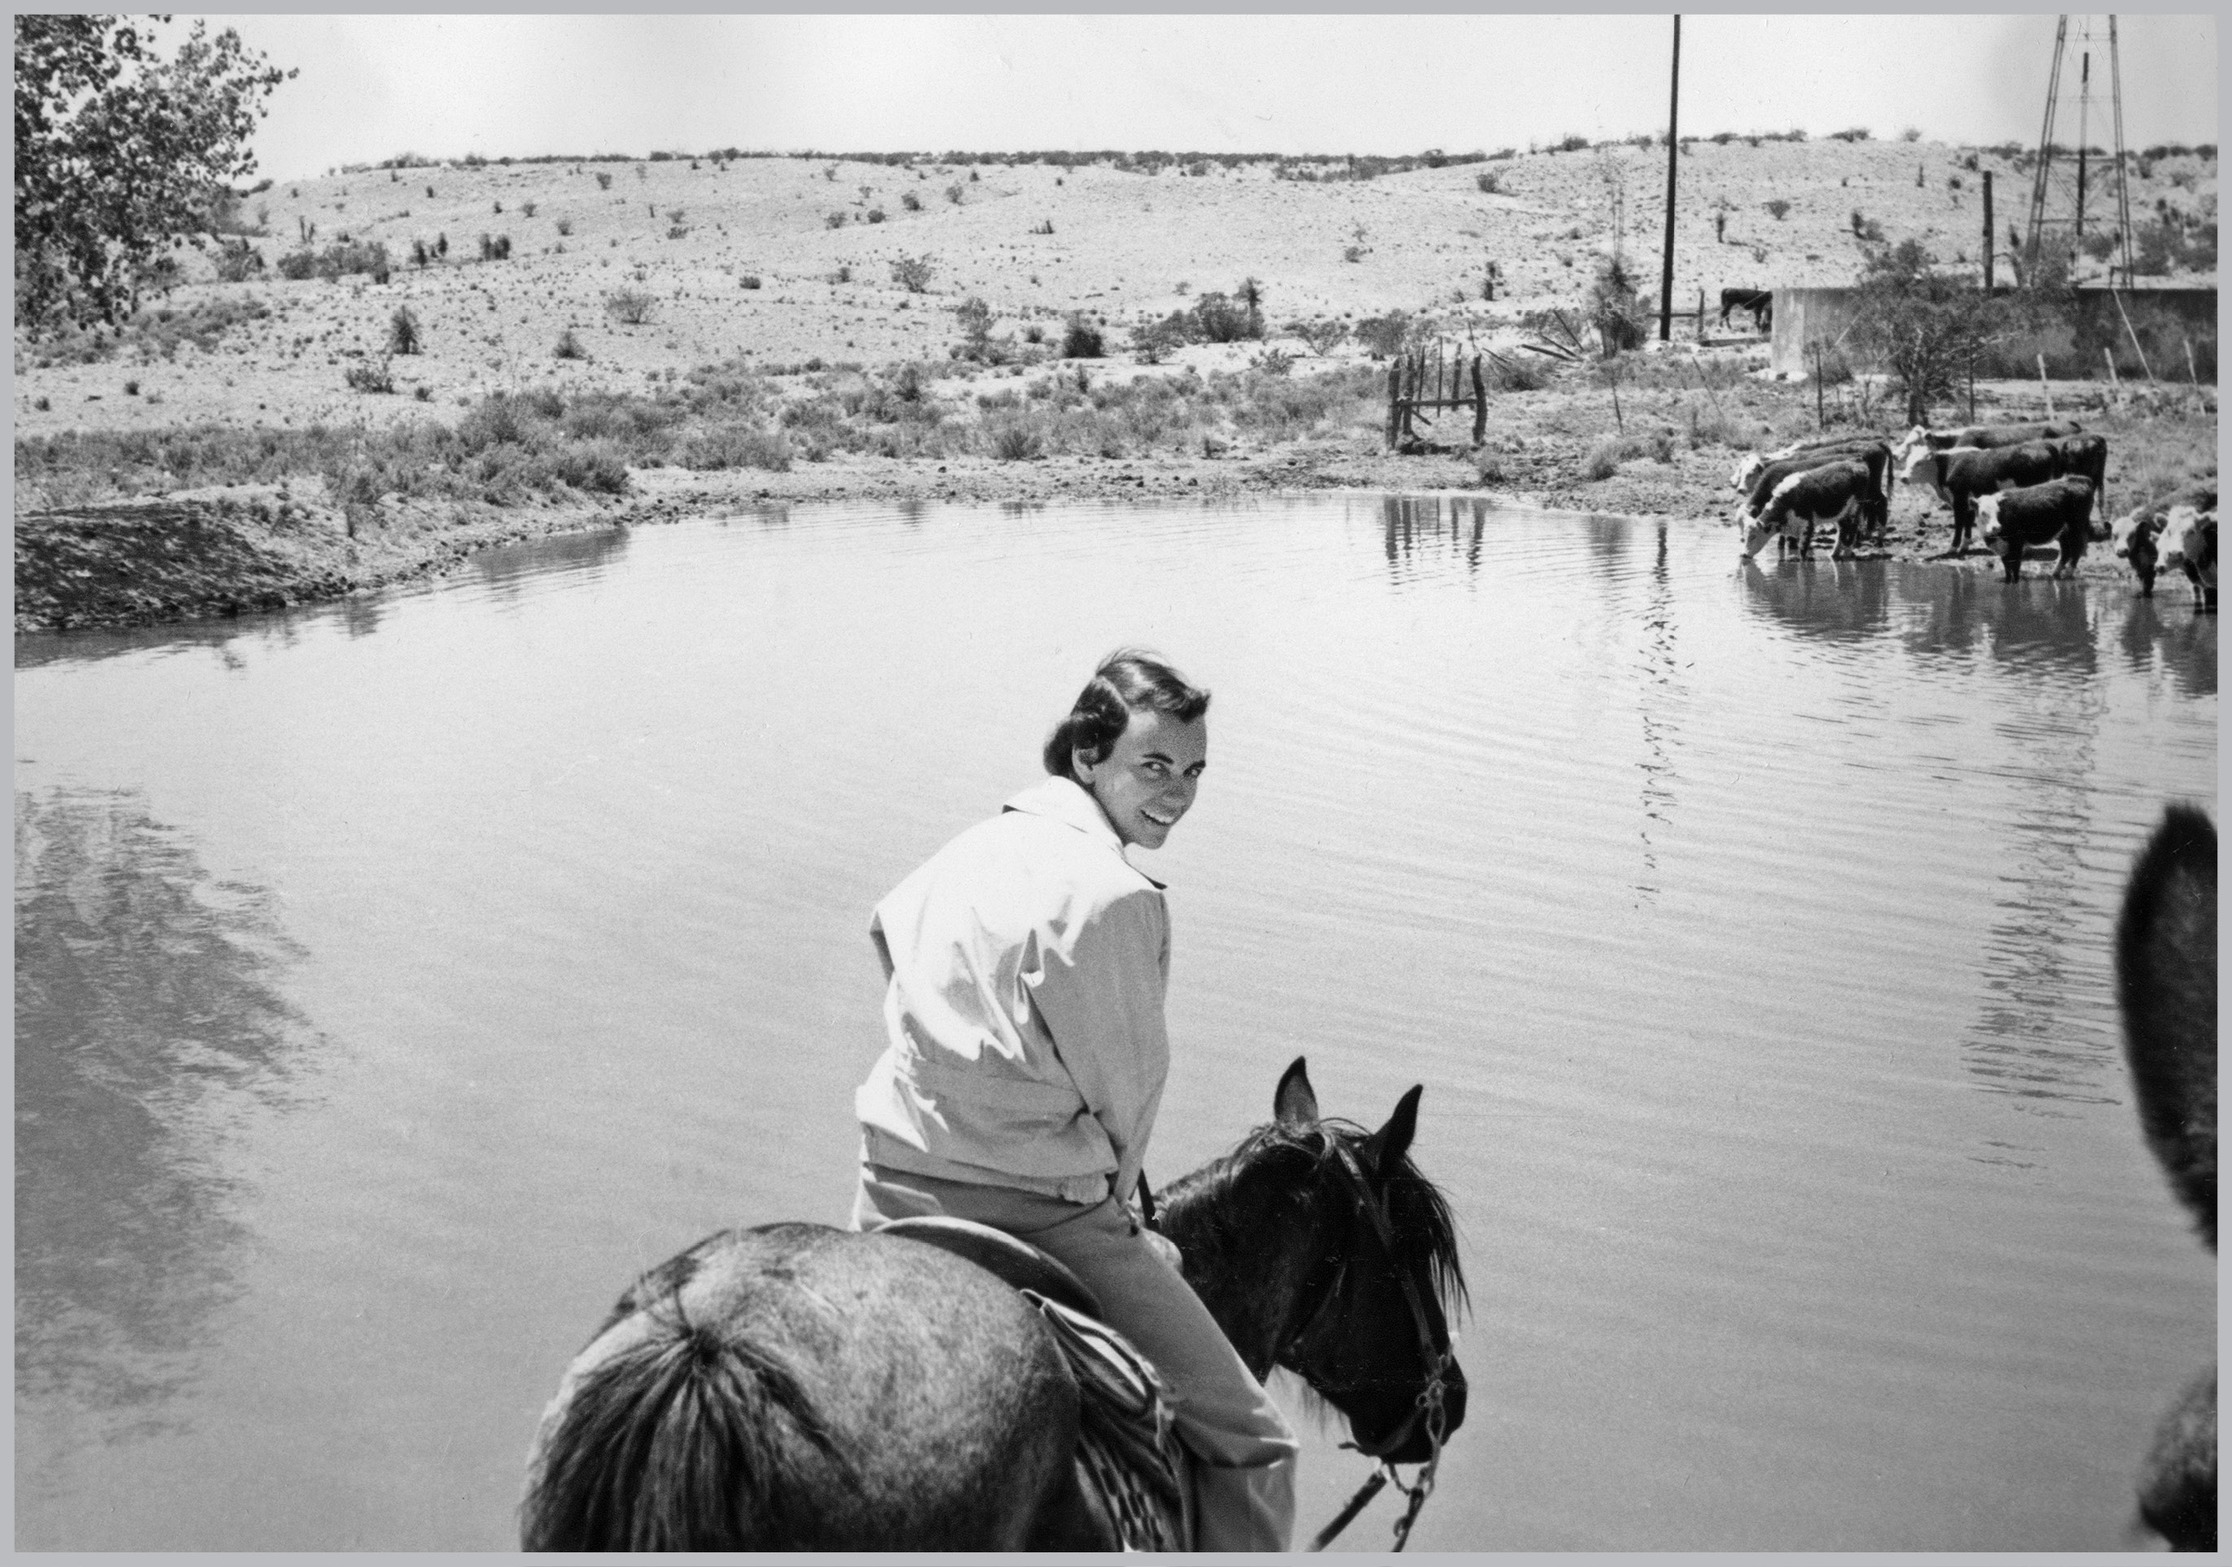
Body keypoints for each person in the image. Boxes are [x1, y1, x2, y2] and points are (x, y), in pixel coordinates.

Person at [850, 648, 1298, 1552]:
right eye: (1155, 766)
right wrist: (1129, 1221)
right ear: (1086, 757)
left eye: (1195, 771)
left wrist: (947, 1063)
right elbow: (1125, 1097)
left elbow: (883, 930)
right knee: (1259, 1445)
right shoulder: (1117, 896)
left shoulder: (968, 846)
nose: (1177, 794)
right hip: (1038, 1217)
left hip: (888, 1182)